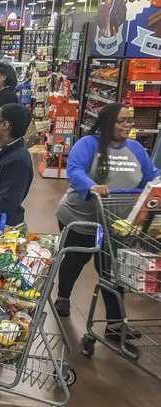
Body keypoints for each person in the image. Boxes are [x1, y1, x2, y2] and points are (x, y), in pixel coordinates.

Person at [54, 104, 157, 346]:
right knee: (75, 260)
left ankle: (114, 324)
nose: (126, 126)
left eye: (129, 121)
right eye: (121, 121)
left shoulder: (136, 149)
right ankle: (63, 296)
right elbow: (75, 169)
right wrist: (91, 185)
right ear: (107, 121)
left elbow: (150, 174)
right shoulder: (88, 144)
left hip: (114, 224)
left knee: (111, 271)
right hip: (80, 217)